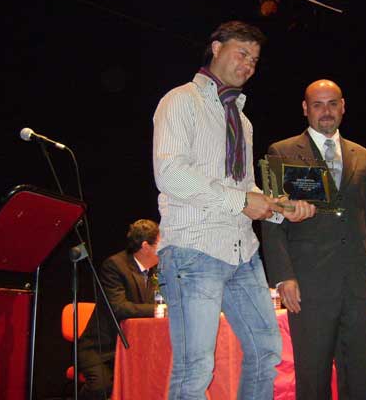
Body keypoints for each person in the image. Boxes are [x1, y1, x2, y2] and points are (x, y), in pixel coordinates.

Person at [152, 20, 316, 400]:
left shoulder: (241, 119)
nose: (248, 65)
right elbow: (171, 173)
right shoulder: (180, 100)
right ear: (215, 47)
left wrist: (279, 209)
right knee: (196, 367)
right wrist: (243, 201)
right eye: (242, 53)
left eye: (255, 60)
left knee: (266, 349)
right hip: (194, 250)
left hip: (243, 253)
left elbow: (245, 187)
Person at [261, 79, 366, 400]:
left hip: (358, 282)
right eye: (318, 104)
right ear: (305, 109)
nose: (326, 111)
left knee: (359, 373)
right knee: (313, 375)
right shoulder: (283, 151)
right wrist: (283, 277)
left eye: (332, 103)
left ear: (343, 106)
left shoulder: (363, 155)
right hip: (309, 285)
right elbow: (273, 221)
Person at [77, 219, 160, 399]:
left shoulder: (156, 270)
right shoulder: (115, 266)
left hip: (135, 348)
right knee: (102, 388)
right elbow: (119, 308)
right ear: (146, 246)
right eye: (161, 244)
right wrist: (159, 310)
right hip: (103, 349)